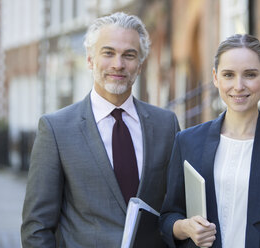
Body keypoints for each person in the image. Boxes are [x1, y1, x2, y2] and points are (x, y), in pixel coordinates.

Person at [21, 12, 180, 247]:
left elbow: (176, 207)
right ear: (89, 60)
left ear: (140, 65)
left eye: (129, 55)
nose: (118, 64)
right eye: (108, 53)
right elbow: (37, 227)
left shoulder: (166, 124)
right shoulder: (56, 129)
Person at [159, 34, 260, 248]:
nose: (238, 86)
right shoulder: (188, 141)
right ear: (215, 77)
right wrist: (186, 227)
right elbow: (168, 217)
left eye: (250, 74)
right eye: (228, 75)